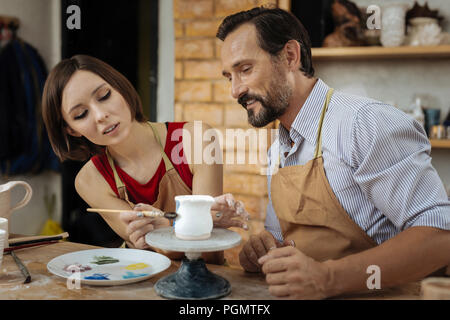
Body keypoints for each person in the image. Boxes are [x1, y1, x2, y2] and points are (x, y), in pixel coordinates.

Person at [217, 7, 450, 298]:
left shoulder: (363, 123)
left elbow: (440, 236)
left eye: (245, 69)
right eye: (229, 76)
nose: (235, 91)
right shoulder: (278, 150)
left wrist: (326, 278)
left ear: (290, 56)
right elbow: (286, 242)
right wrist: (265, 252)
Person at [42, 55, 249, 263]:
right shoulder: (89, 180)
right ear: (71, 130)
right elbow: (148, 242)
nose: (100, 115)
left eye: (104, 96)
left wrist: (166, 231)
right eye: (81, 114)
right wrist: (170, 231)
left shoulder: (196, 139)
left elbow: (207, 252)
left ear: (120, 88)